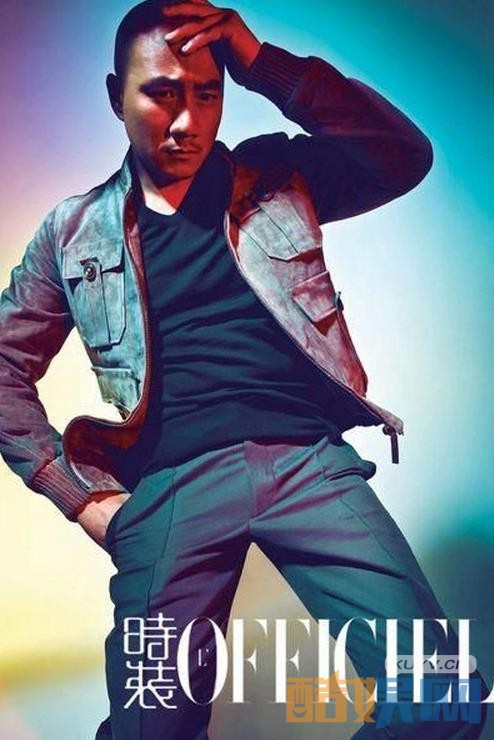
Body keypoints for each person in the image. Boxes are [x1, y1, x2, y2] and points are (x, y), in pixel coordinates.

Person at [0, 1, 487, 738]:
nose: (188, 121)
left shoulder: (278, 175)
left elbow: (400, 155)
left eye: (208, 94)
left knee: (439, 696)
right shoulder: (73, 235)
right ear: (115, 97)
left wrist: (262, 64)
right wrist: (80, 497)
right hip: (171, 489)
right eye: (162, 93)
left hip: (308, 463)